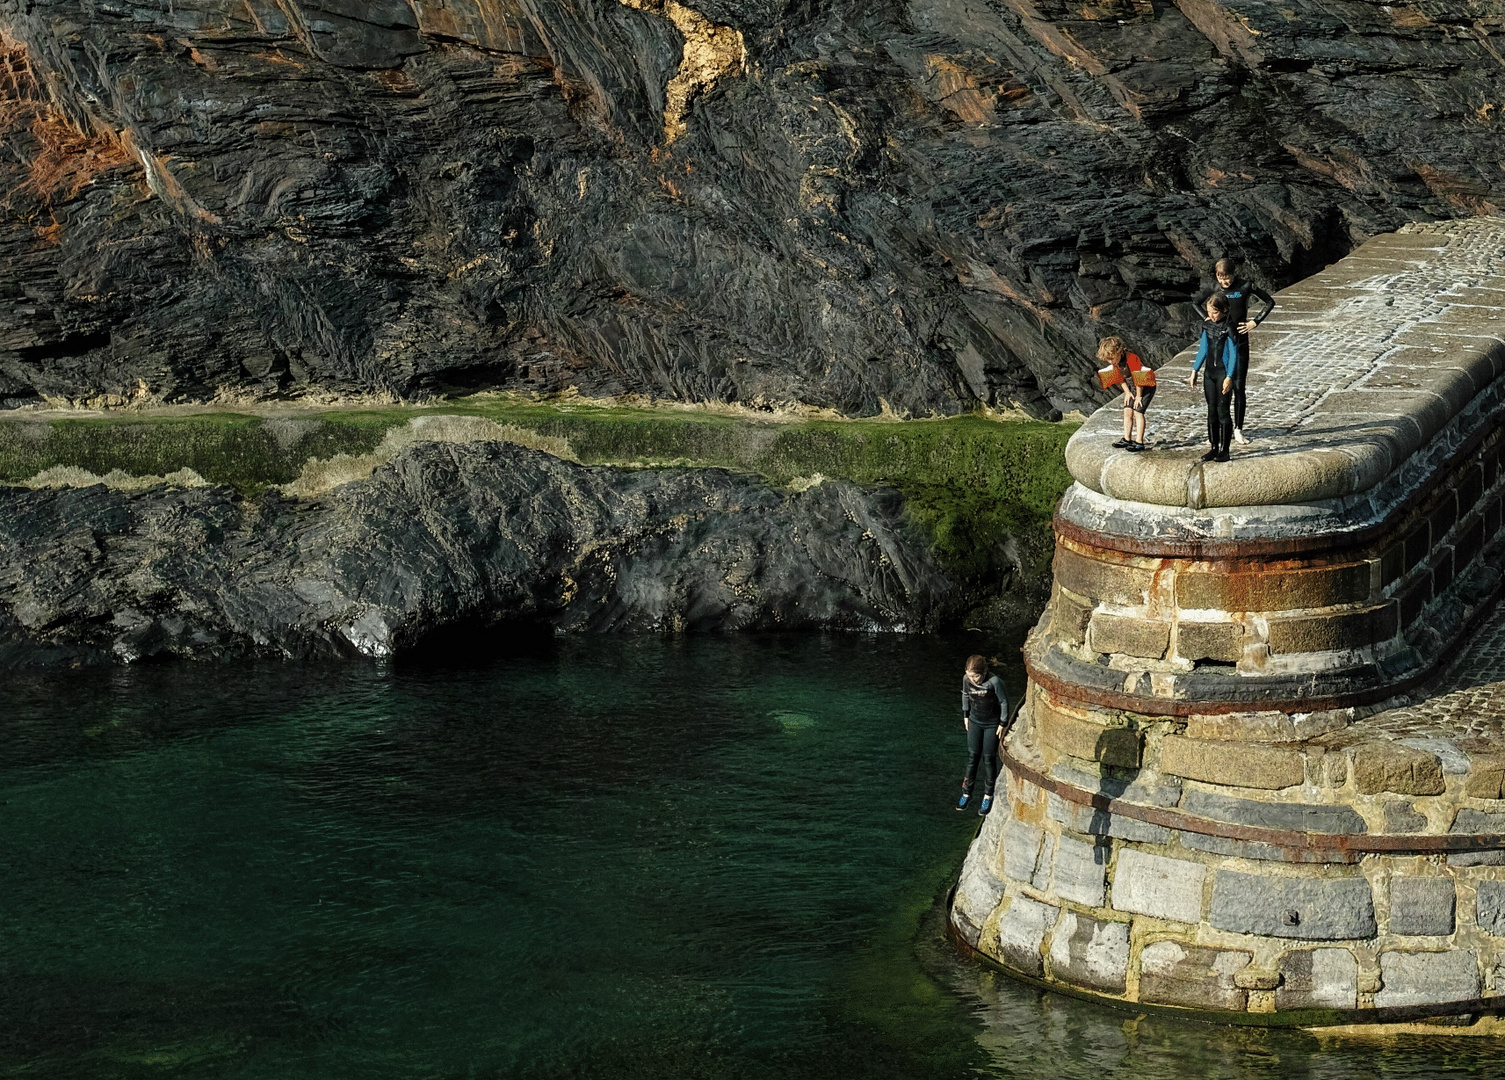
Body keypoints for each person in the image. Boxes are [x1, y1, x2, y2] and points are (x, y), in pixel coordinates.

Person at [1194, 258, 1275, 445]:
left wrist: (1255, 322)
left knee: (1239, 387)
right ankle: (1220, 429)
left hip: (1239, 342)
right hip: (1219, 345)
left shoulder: (1245, 286)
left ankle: (1238, 429)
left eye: (1228, 278)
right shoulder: (1213, 287)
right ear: (1216, 276)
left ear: (1233, 274)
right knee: (1220, 389)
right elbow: (1195, 303)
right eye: (1221, 279)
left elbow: (1269, 301)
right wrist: (1206, 318)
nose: (1225, 282)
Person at [1188, 294, 1240, 463]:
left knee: (1223, 412)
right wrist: (1195, 370)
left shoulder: (1229, 327)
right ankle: (1213, 447)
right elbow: (1203, 348)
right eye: (1209, 312)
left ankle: (1225, 451)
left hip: (1223, 374)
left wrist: (1230, 376)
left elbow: (1233, 354)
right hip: (1209, 374)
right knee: (1211, 412)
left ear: (1224, 311)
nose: (1211, 315)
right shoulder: (1207, 325)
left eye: (1215, 312)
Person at [958, 654, 1009, 816]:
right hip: (974, 721)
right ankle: (967, 792)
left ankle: (988, 794)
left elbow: (1003, 702)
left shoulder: (994, 682)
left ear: (984, 672)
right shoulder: (966, 680)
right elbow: (965, 695)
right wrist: (965, 715)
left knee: (988, 758)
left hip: (991, 724)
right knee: (973, 756)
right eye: (970, 676)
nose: (973, 680)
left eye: (976, 676)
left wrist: (1002, 723)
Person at [1097, 336, 1156, 452]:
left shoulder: (1132, 358)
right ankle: (1127, 439)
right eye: (1108, 360)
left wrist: (1139, 396)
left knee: (1138, 412)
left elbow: (1139, 378)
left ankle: (1139, 442)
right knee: (1127, 411)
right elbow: (1119, 378)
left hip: (1145, 386)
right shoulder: (1116, 361)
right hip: (1131, 385)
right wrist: (1127, 392)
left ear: (1119, 352)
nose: (1110, 362)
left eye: (1111, 359)